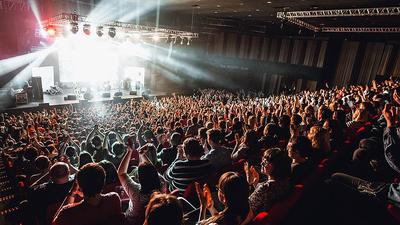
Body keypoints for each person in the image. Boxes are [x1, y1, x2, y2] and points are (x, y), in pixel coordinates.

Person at [52, 163, 122, 225]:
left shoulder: (68, 212)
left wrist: (72, 192)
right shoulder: (113, 199)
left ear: (80, 186)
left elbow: (54, 221)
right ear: (103, 182)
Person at [118, 142, 161, 225]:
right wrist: (142, 155)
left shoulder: (135, 191)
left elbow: (121, 173)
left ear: (139, 178)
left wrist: (129, 151)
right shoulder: (162, 185)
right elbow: (152, 170)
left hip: (133, 222)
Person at [245, 148, 292, 214]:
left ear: (274, 167)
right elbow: (264, 198)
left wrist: (249, 184)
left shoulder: (265, 188)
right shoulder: (287, 180)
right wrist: (255, 183)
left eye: (265, 162)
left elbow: (246, 208)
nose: (261, 163)